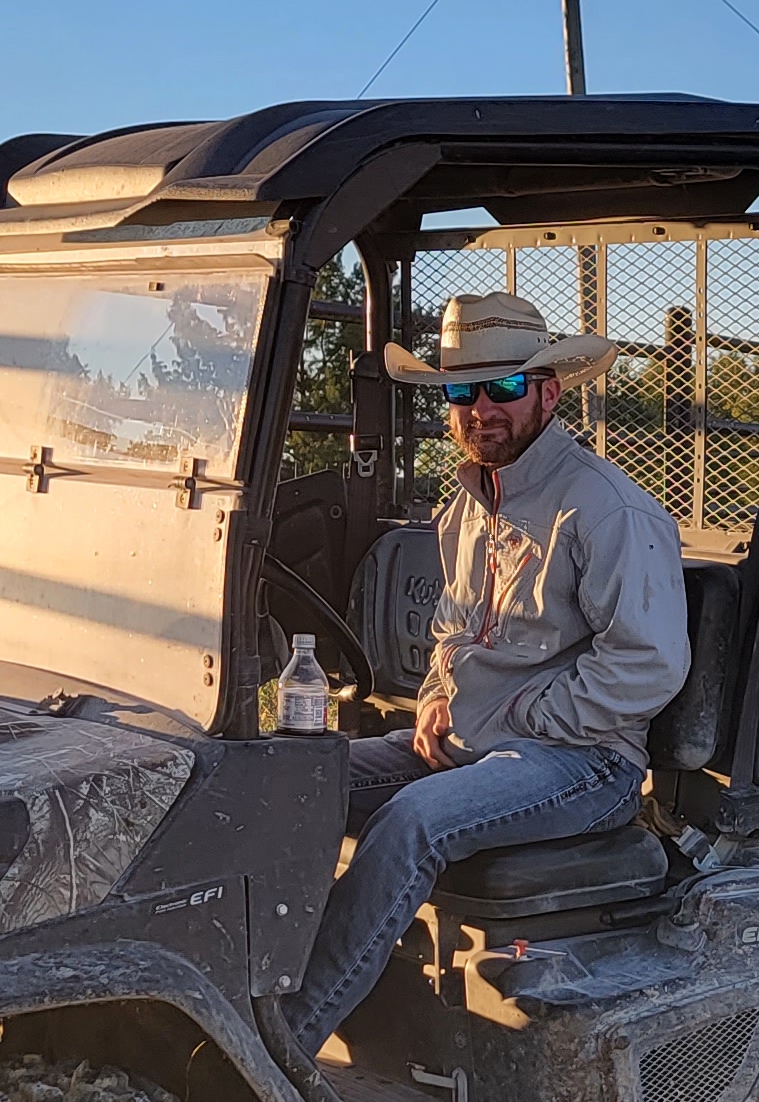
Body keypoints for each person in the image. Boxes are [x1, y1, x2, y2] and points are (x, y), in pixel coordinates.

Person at [280, 292, 692, 1055]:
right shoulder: (467, 505)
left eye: (503, 387)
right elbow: (451, 627)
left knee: (412, 822)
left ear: (548, 391)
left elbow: (647, 663)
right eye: (460, 390)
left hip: (582, 762)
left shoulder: (605, 511)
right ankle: (243, 991)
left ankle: (287, 1043)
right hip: (472, 742)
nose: (480, 409)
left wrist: (515, 718)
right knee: (282, 777)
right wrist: (438, 696)